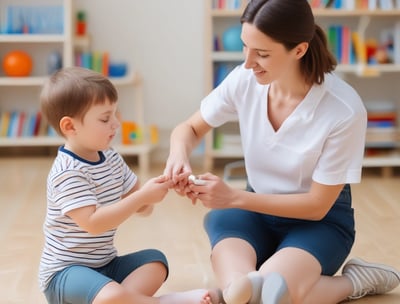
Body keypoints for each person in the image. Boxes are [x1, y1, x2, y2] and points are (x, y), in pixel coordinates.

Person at [164, 0, 400, 303]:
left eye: (262, 54)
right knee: (231, 245)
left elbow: (317, 205)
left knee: (273, 294)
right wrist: (178, 156)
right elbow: (189, 129)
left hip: (318, 223)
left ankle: (353, 282)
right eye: (246, 47)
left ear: (299, 50)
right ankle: (238, 287)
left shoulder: (342, 109)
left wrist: (233, 196)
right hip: (255, 211)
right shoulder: (245, 80)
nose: (248, 62)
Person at [38, 67, 221, 304]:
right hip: (65, 274)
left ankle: (121, 300)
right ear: (70, 127)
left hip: (105, 265)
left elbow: (144, 208)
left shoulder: (110, 157)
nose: (116, 123)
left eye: (115, 113)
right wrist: (142, 197)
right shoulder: (67, 172)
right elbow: (94, 223)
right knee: (112, 295)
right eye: (105, 118)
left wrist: (164, 184)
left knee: (155, 262)